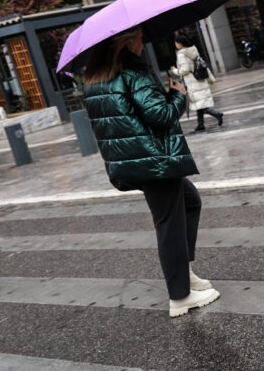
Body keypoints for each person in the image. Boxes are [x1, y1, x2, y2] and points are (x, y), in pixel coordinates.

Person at [82, 28, 219, 317]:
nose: (143, 41)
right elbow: (162, 116)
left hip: (133, 162)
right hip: (154, 160)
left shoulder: (96, 79)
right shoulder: (135, 73)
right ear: (125, 42)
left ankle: (184, 272)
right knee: (168, 223)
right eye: (138, 37)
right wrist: (178, 95)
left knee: (190, 202)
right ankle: (180, 296)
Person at [170, 35, 223, 133]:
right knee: (199, 103)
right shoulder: (193, 50)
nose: (175, 44)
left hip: (192, 82)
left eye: (176, 43)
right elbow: (203, 64)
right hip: (200, 79)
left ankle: (217, 114)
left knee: (201, 104)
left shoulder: (181, 54)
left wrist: (175, 70)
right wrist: (210, 79)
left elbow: (184, 70)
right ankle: (200, 124)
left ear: (180, 44)